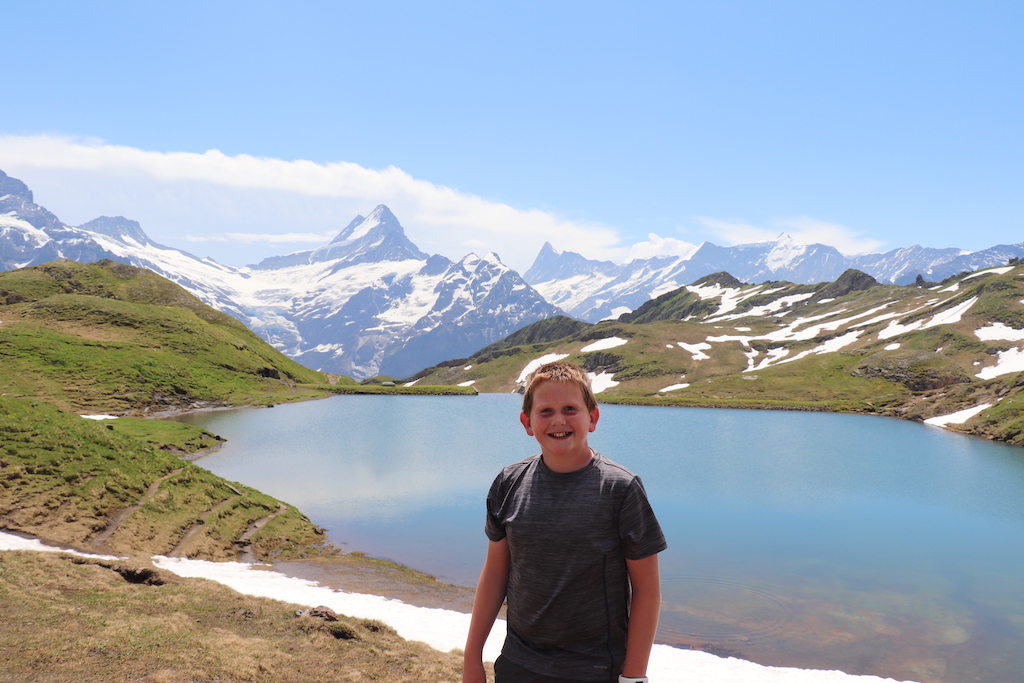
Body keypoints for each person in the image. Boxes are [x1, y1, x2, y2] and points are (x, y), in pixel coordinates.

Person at [463, 360, 667, 683]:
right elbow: (496, 572)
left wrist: (634, 678)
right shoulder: (508, 482)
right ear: (527, 422)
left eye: (570, 408)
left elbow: (647, 591)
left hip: (596, 670)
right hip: (518, 665)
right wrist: (472, 656)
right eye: (545, 411)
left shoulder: (621, 489)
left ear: (593, 417)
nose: (559, 420)